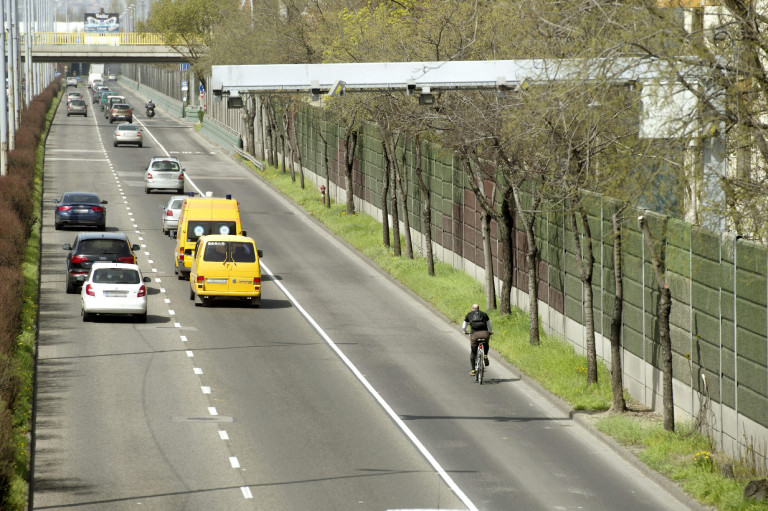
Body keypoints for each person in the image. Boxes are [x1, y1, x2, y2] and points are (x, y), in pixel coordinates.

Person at [462, 304, 492, 376]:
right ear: (478, 309)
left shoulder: (469, 315)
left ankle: (473, 370)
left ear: (472, 309)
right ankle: (485, 355)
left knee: (473, 352)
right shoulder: (484, 314)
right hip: (484, 334)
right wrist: (490, 331)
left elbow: (463, 327)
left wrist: (465, 331)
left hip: (474, 335)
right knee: (486, 343)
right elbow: (489, 325)